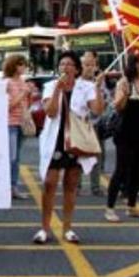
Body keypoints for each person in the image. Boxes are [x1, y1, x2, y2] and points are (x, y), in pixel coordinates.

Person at [34, 50, 104, 244]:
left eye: (69, 64)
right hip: (55, 139)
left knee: (71, 184)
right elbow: (50, 112)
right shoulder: (49, 86)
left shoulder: (86, 87)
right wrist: (58, 89)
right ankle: (44, 228)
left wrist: (97, 88)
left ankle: (68, 228)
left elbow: (97, 110)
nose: (65, 68)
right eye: (62, 64)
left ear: (76, 68)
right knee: (49, 183)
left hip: (76, 139)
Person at [104, 54, 139, 222]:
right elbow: (117, 106)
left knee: (138, 169)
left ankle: (132, 205)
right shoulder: (125, 82)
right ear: (137, 64)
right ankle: (110, 208)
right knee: (121, 170)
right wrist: (125, 95)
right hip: (125, 133)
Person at [80, 51, 107, 197]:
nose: (89, 68)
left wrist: (98, 87)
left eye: (92, 65)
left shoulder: (99, 83)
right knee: (77, 154)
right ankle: (76, 185)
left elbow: (102, 106)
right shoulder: (76, 83)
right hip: (79, 124)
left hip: (94, 124)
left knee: (96, 156)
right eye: (86, 64)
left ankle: (95, 187)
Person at [4, 54, 30, 200]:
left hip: (21, 123)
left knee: (17, 157)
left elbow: (25, 104)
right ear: (13, 65)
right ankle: (9, 187)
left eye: (24, 64)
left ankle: (13, 186)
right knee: (11, 158)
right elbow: (8, 105)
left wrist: (28, 94)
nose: (23, 67)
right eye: (21, 64)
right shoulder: (7, 83)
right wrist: (23, 93)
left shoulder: (22, 81)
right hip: (10, 124)